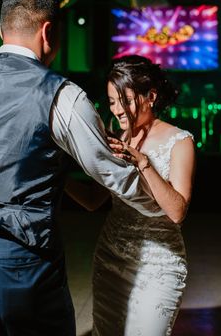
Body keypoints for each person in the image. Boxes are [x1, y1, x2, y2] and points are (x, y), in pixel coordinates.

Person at [0, 0, 162, 336]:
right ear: (48, 30)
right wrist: (161, 206)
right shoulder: (61, 94)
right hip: (20, 251)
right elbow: (109, 174)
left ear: (1, 30)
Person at [65, 55, 196, 335]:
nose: (117, 110)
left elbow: (177, 211)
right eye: (112, 102)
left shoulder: (180, 142)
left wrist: (143, 162)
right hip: (111, 259)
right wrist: (58, 177)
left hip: (159, 265)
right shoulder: (116, 141)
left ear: (150, 96)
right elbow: (92, 201)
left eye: (124, 100)